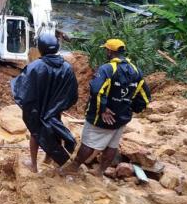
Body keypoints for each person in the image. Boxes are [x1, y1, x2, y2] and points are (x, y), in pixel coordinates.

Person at [63, 38, 150, 176]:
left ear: (110, 51)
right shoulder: (136, 71)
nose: (106, 52)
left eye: (106, 50)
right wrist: (128, 108)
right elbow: (144, 97)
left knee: (88, 143)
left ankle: (74, 167)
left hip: (102, 117)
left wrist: (103, 109)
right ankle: (100, 171)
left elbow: (96, 90)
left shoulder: (107, 69)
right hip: (122, 118)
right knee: (112, 145)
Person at [11, 33, 78, 173]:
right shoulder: (67, 67)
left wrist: (29, 106)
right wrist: (59, 106)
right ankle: (49, 158)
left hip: (38, 109)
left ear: (40, 48)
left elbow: (24, 89)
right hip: (55, 110)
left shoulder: (35, 66)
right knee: (53, 129)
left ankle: (33, 165)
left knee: (36, 133)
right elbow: (72, 93)